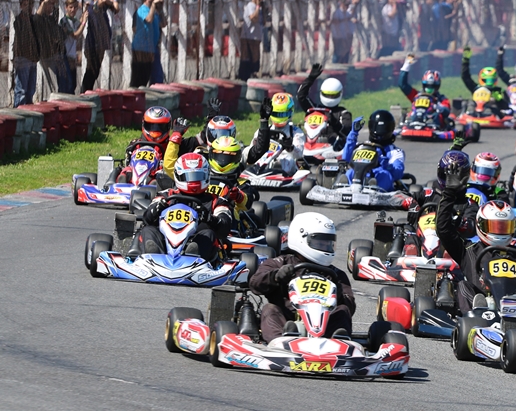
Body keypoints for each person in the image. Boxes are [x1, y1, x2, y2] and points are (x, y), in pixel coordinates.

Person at [436, 155, 516, 314]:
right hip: (480, 312)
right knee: (463, 286)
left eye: (504, 227)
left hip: (515, 309)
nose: (499, 231)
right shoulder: (469, 251)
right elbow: (443, 230)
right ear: (481, 225)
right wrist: (449, 193)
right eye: (494, 226)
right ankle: (477, 312)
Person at [250, 212, 356, 342]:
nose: (325, 247)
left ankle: (337, 342)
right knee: (270, 309)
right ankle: (281, 341)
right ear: (300, 238)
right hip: (287, 319)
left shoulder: (335, 274)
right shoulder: (279, 263)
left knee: (342, 310)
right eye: (320, 243)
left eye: (328, 244)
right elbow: (255, 284)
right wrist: (276, 276)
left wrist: (338, 295)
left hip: (324, 323)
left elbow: (350, 307)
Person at [129, 153, 234, 262]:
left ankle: (192, 257)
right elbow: (147, 219)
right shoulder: (167, 195)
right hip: (166, 245)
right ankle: (154, 257)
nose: (193, 181)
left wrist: (210, 219)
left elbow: (225, 226)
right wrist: (156, 209)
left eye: (198, 176)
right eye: (189, 176)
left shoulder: (216, 200)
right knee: (148, 230)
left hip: (199, 249)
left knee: (208, 234)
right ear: (178, 176)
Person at [341, 112, 405, 191]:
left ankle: (374, 188)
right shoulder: (362, 146)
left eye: (383, 128)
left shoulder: (395, 151)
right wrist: (353, 133)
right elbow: (346, 158)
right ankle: (344, 188)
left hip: (379, 178)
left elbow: (398, 173)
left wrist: (387, 166)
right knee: (350, 172)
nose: (379, 131)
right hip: (361, 175)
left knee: (385, 175)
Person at [244, 93, 304, 176]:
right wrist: (256, 143)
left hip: (287, 166)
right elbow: (251, 152)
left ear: (290, 112)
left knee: (287, 160)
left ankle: (278, 173)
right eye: (275, 114)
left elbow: (299, 155)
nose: (279, 117)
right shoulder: (263, 131)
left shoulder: (295, 132)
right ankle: (257, 172)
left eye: (282, 114)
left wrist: (290, 147)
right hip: (265, 159)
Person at [296, 63, 352, 149]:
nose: (330, 98)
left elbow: (346, 132)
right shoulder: (314, 110)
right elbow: (301, 96)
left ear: (340, 94)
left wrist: (334, 122)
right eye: (327, 95)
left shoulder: (343, 113)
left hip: (332, 150)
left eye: (333, 95)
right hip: (310, 148)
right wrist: (310, 78)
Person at [81, 0, 118, 93]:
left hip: (101, 45)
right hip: (92, 45)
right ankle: (84, 92)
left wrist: (111, 1)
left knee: (96, 71)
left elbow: (116, 8)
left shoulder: (103, 9)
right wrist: (108, 0)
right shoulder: (93, 7)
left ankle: (87, 91)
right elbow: (100, 3)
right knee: (91, 70)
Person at [398, 54, 451, 125]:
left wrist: (438, 106)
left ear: (437, 86)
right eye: (427, 85)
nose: (430, 88)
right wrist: (407, 65)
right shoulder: (416, 95)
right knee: (408, 115)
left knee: (438, 116)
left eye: (433, 86)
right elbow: (402, 85)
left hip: (433, 125)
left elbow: (446, 110)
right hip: (415, 122)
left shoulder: (441, 99)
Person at [34, 0, 67, 102]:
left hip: (53, 55)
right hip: (44, 56)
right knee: (49, 86)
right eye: (49, 3)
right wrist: (46, 0)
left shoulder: (51, 19)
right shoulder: (39, 18)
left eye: (52, 4)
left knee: (55, 86)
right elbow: (38, 15)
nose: (51, 6)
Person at [461, 47, 510, 117]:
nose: (489, 82)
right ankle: (466, 114)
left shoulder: (499, 91)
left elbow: (507, 107)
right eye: (486, 80)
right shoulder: (476, 88)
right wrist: (465, 60)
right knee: (467, 103)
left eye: (491, 80)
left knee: (493, 102)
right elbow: (465, 77)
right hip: (475, 113)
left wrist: (499, 100)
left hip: (493, 115)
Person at [131, 0, 165, 87]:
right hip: (141, 48)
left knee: (152, 74)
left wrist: (160, 10)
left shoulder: (154, 13)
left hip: (151, 48)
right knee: (140, 77)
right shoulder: (142, 10)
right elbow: (148, 19)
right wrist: (153, 5)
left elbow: (163, 23)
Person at [12, 0, 39, 106]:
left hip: (32, 58)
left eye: (30, 5)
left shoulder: (34, 20)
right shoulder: (19, 20)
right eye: (25, 5)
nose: (28, 7)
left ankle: (27, 111)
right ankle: (19, 110)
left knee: (30, 90)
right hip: (23, 58)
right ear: (21, 6)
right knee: (21, 90)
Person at [59, 0, 87, 95]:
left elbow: (78, 25)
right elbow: (75, 35)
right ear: (66, 8)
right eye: (70, 7)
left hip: (72, 56)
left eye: (75, 7)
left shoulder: (74, 20)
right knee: (67, 85)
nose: (73, 10)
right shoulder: (64, 21)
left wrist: (84, 12)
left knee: (73, 84)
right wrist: (84, 22)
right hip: (64, 56)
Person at [239, 0, 263, 80]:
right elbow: (253, 18)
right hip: (248, 36)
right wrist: (258, 7)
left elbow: (262, 21)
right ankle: (244, 76)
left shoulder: (259, 8)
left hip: (255, 36)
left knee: (255, 58)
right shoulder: (251, 5)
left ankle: (253, 73)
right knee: (246, 57)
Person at [329, 0, 359, 64]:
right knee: (337, 52)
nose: (347, 6)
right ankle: (335, 64)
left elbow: (350, 17)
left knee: (344, 52)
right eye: (346, 5)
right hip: (337, 36)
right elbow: (334, 21)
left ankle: (342, 64)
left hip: (344, 35)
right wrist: (343, 20)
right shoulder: (337, 12)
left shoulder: (346, 13)